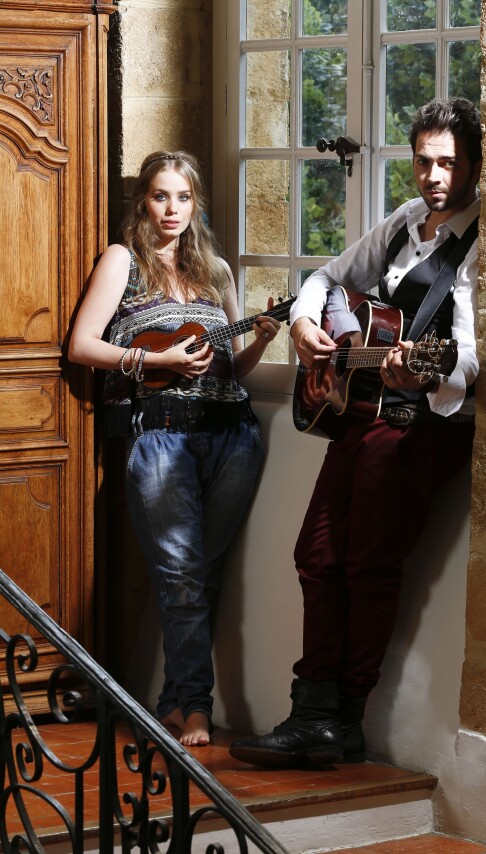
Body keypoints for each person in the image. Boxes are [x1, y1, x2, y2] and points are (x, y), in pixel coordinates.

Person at [229, 97, 481, 768]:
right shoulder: (403, 223)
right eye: (424, 161)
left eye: (448, 164)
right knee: (316, 556)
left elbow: (471, 358)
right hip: (362, 415)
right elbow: (329, 279)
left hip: (418, 427)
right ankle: (308, 711)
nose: (433, 176)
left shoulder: (484, 242)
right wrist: (311, 327)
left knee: (368, 567)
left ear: (475, 164)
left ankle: (343, 720)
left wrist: (422, 375)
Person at [69, 151, 281, 746]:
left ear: (196, 204)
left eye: (183, 198)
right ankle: (195, 708)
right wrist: (153, 360)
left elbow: (231, 369)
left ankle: (171, 700)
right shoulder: (123, 261)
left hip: (232, 433)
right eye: (161, 197)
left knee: (201, 575)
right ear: (143, 200)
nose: (172, 210)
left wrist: (261, 342)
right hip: (157, 433)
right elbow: (82, 345)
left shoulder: (215, 270)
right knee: (183, 576)